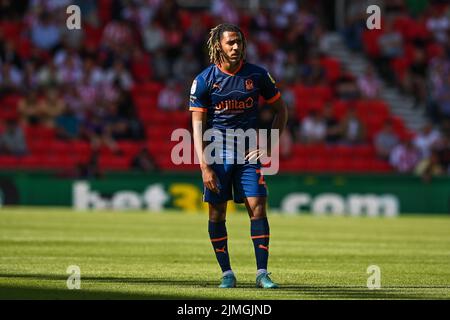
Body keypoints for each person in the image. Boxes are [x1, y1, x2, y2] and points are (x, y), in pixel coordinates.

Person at [189, 24, 288, 289]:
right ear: (218, 46)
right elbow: (197, 126)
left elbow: (282, 110)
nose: (236, 47)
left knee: (258, 206)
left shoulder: (258, 75)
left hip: (248, 152)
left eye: (239, 43)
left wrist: (269, 145)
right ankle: (227, 273)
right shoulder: (204, 80)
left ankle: (262, 273)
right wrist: (204, 166)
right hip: (217, 153)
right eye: (230, 43)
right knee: (217, 214)